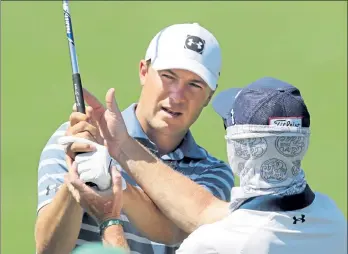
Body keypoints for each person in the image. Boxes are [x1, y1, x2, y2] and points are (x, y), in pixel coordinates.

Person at [68, 77, 346, 253]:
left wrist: (109, 219)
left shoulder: (214, 245)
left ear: (239, 149)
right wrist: (122, 145)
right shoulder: (332, 219)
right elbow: (205, 210)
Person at [35, 22, 234, 254]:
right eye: (168, 76)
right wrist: (77, 178)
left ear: (209, 96)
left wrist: (113, 181)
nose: (177, 95)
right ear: (143, 71)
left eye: (194, 85)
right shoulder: (76, 138)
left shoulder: (214, 174)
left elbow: (177, 228)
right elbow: (48, 250)